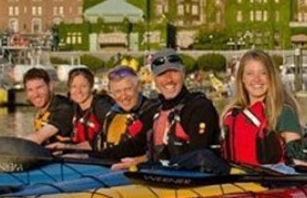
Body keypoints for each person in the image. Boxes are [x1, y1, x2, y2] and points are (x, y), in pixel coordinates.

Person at [93, 50, 221, 169]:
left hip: (193, 183)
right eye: (162, 74)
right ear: (155, 79)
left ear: (183, 73)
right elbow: (134, 145)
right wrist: (92, 157)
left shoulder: (199, 108)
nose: (169, 79)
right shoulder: (153, 112)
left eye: (174, 72)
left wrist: (144, 162)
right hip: (159, 178)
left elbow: (198, 155)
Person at [221, 49, 303, 166]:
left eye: (263, 73)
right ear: (242, 79)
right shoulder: (231, 113)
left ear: (271, 77)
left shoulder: (282, 112)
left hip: (271, 180)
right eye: (250, 74)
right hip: (235, 177)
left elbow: (298, 157)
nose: (257, 79)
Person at [45, 66, 113, 153]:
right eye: (74, 86)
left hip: (101, 159)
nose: (78, 91)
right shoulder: (73, 109)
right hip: (81, 157)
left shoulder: (101, 107)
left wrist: (68, 146)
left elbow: (106, 139)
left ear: (91, 87)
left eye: (83, 86)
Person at [21, 66, 77, 145]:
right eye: (30, 90)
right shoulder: (42, 111)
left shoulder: (63, 109)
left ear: (50, 86)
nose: (35, 94)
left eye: (39, 88)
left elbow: (38, 137)